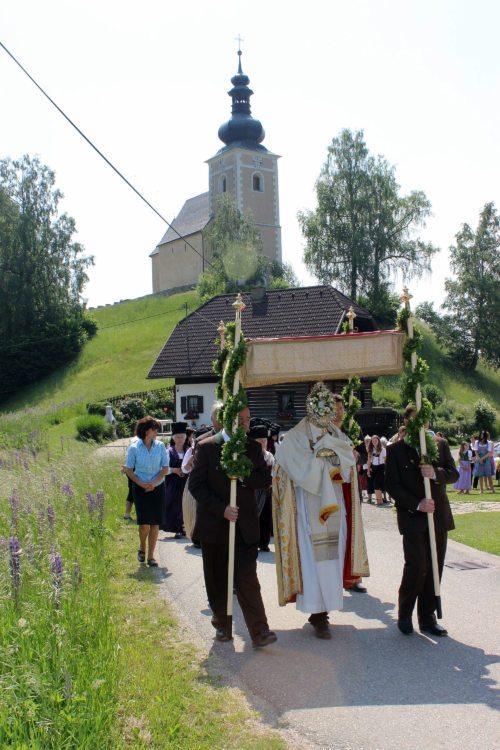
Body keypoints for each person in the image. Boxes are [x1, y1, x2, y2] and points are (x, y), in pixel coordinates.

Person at [272, 383, 369, 639]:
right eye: (324, 407)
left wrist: (333, 458)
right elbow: (285, 466)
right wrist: (319, 464)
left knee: (333, 557)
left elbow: (348, 464)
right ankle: (317, 612)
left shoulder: (334, 432)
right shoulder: (295, 436)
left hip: (334, 506)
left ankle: (326, 608)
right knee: (314, 561)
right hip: (308, 511)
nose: (331, 414)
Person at [189, 406, 277, 648]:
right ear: (229, 421)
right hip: (215, 528)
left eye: (249, 419)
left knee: (247, 579)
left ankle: (260, 631)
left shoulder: (251, 448)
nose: (247, 424)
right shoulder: (207, 448)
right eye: (242, 420)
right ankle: (223, 625)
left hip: (244, 527)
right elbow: (196, 486)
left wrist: (244, 475)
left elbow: (265, 479)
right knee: (218, 581)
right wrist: (222, 509)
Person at [385, 404, 459, 637]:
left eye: (425, 420)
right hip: (413, 517)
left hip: (438, 516)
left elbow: (453, 473)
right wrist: (417, 503)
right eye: (416, 420)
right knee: (417, 565)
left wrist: (435, 473)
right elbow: (392, 486)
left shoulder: (440, 444)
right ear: (406, 422)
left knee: (435, 566)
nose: (422, 424)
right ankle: (405, 614)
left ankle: (427, 618)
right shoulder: (396, 450)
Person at [125, 416, 170, 567]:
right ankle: (142, 547)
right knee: (144, 523)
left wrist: (154, 483)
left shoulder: (160, 446)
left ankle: (151, 556)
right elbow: (129, 470)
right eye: (154, 428)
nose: (157, 431)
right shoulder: (134, 448)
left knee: (155, 522)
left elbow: (165, 468)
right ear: (146, 431)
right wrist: (142, 484)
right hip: (140, 488)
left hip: (158, 487)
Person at [248, 423, 275, 553]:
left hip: (268, 490)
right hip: (255, 491)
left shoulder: (269, 456)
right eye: (260, 441)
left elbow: (274, 472)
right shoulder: (249, 456)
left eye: (264, 440)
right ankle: (253, 541)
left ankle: (264, 542)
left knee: (266, 516)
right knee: (254, 517)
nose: (263, 443)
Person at [161, 422, 189, 537]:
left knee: (186, 505)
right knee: (174, 505)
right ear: (173, 438)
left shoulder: (189, 451)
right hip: (173, 483)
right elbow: (163, 469)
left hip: (186, 482)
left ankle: (186, 528)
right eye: (177, 437)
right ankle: (177, 528)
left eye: (182, 437)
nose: (180, 439)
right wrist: (175, 470)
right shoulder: (169, 451)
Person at [367, 435, 387, 506]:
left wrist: (386, 470)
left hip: (381, 467)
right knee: (375, 484)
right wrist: (368, 470)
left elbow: (385, 460)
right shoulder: (371, 450)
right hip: (374, 467)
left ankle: (379, 500)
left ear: (378, 441)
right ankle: (380, 500)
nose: (374, 442)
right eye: (373, 441)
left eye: (376, 440)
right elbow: (369, 461)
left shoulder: (383, 449)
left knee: (376, 483)